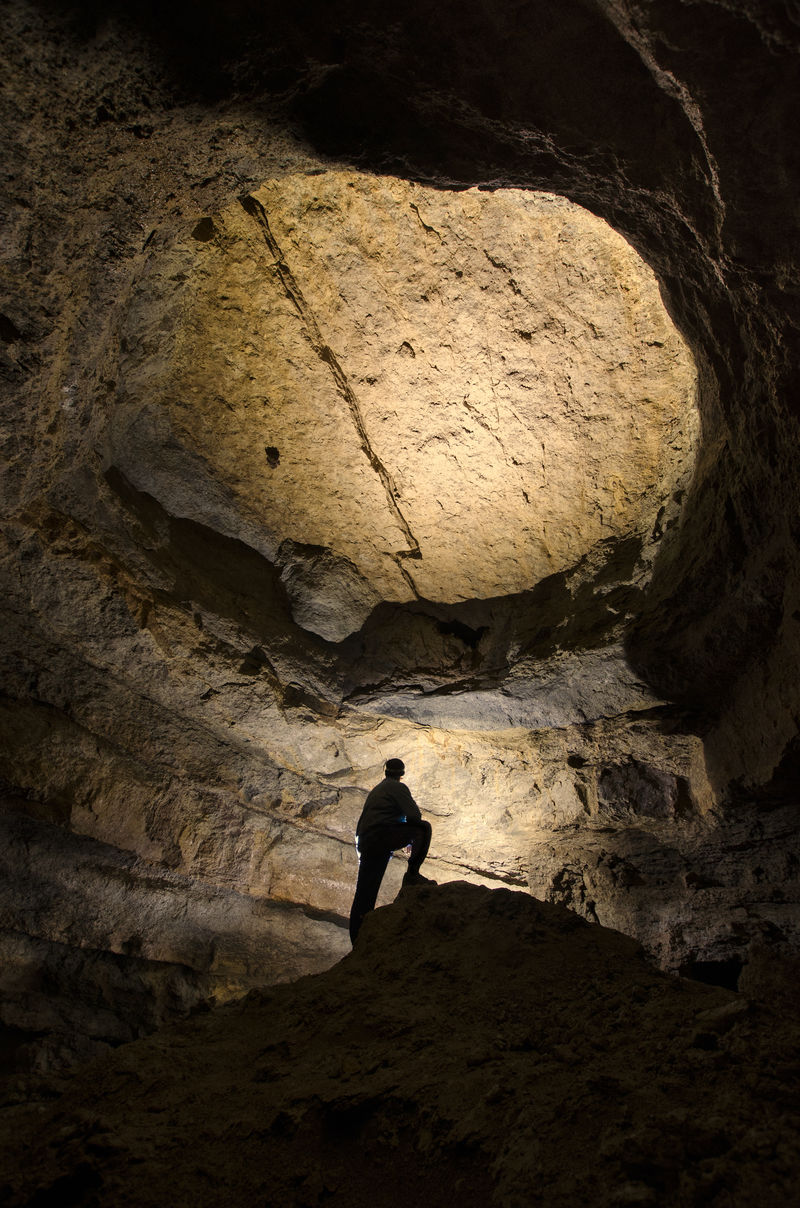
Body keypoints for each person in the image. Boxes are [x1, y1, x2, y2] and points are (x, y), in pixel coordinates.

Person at [348, 758, 434, 943]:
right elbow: (414, 816)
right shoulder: (397, 788)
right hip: (380, 837)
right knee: (424, 828)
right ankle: (412, 874)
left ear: (386, 772)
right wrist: (410, 837)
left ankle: (357, 938)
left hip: (366, 841)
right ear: (401, 774)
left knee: (365, 891)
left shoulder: (379, 788)